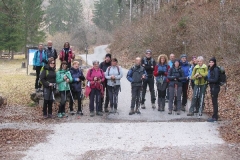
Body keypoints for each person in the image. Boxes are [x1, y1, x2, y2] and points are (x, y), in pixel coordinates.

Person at [207, 57, 220, 122]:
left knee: (214, 102)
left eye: (212, 62)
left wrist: (208, 80)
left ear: (214, 63)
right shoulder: (211, 69)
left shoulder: (215, 69)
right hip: (212, 87)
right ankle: (215, 115)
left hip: (215, 87)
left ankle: (215, 117)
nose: (211, 63)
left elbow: (216, 79)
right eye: (210, 62)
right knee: (214, 101)